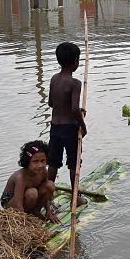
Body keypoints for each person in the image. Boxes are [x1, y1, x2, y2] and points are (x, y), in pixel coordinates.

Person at [48, 42, 88, 203]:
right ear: (75, 62)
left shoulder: (54, 79)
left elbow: (51, 103)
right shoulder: (75, 83)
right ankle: (75, 196)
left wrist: (78, 111)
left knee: (53, 163)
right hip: (70, 128)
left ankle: (47, 196)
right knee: (74, 163)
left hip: (55, 126)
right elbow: (73, 109)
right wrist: (83, 125)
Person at [1, 140, 58, 222]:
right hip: (11, 202)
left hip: (28, 198)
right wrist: (24, 222)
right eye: (35, 161)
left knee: (50, 185)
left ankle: (34, 211)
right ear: (27, 162)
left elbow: (47, 194)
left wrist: (48, 212)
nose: (40, 165)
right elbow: (18, 203)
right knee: (32, 193)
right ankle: (27, 215)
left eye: (43, 161)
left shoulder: (43, 172)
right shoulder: (21, 177)